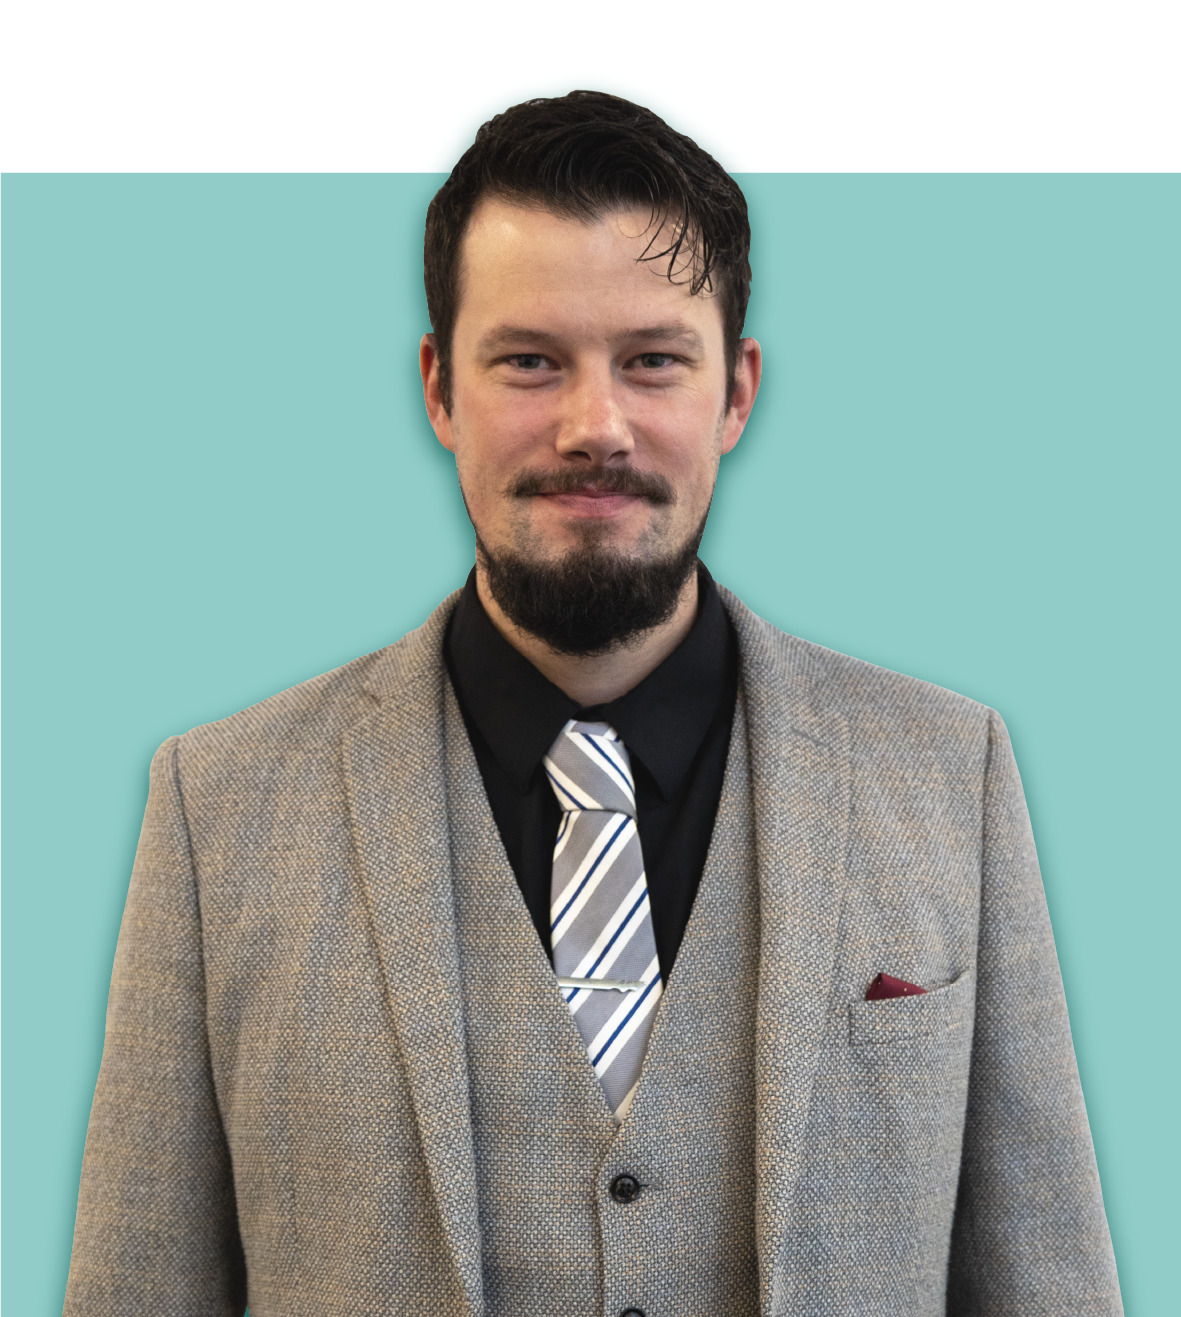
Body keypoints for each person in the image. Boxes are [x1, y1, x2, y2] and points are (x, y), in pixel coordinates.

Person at [63, 91, 1122, 1317]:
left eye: (651, 361)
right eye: (528, 362)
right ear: (438, 391)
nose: (593, 427)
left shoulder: (948, 773)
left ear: (733, 392)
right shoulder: (221, 810)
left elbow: (1050, 1286)